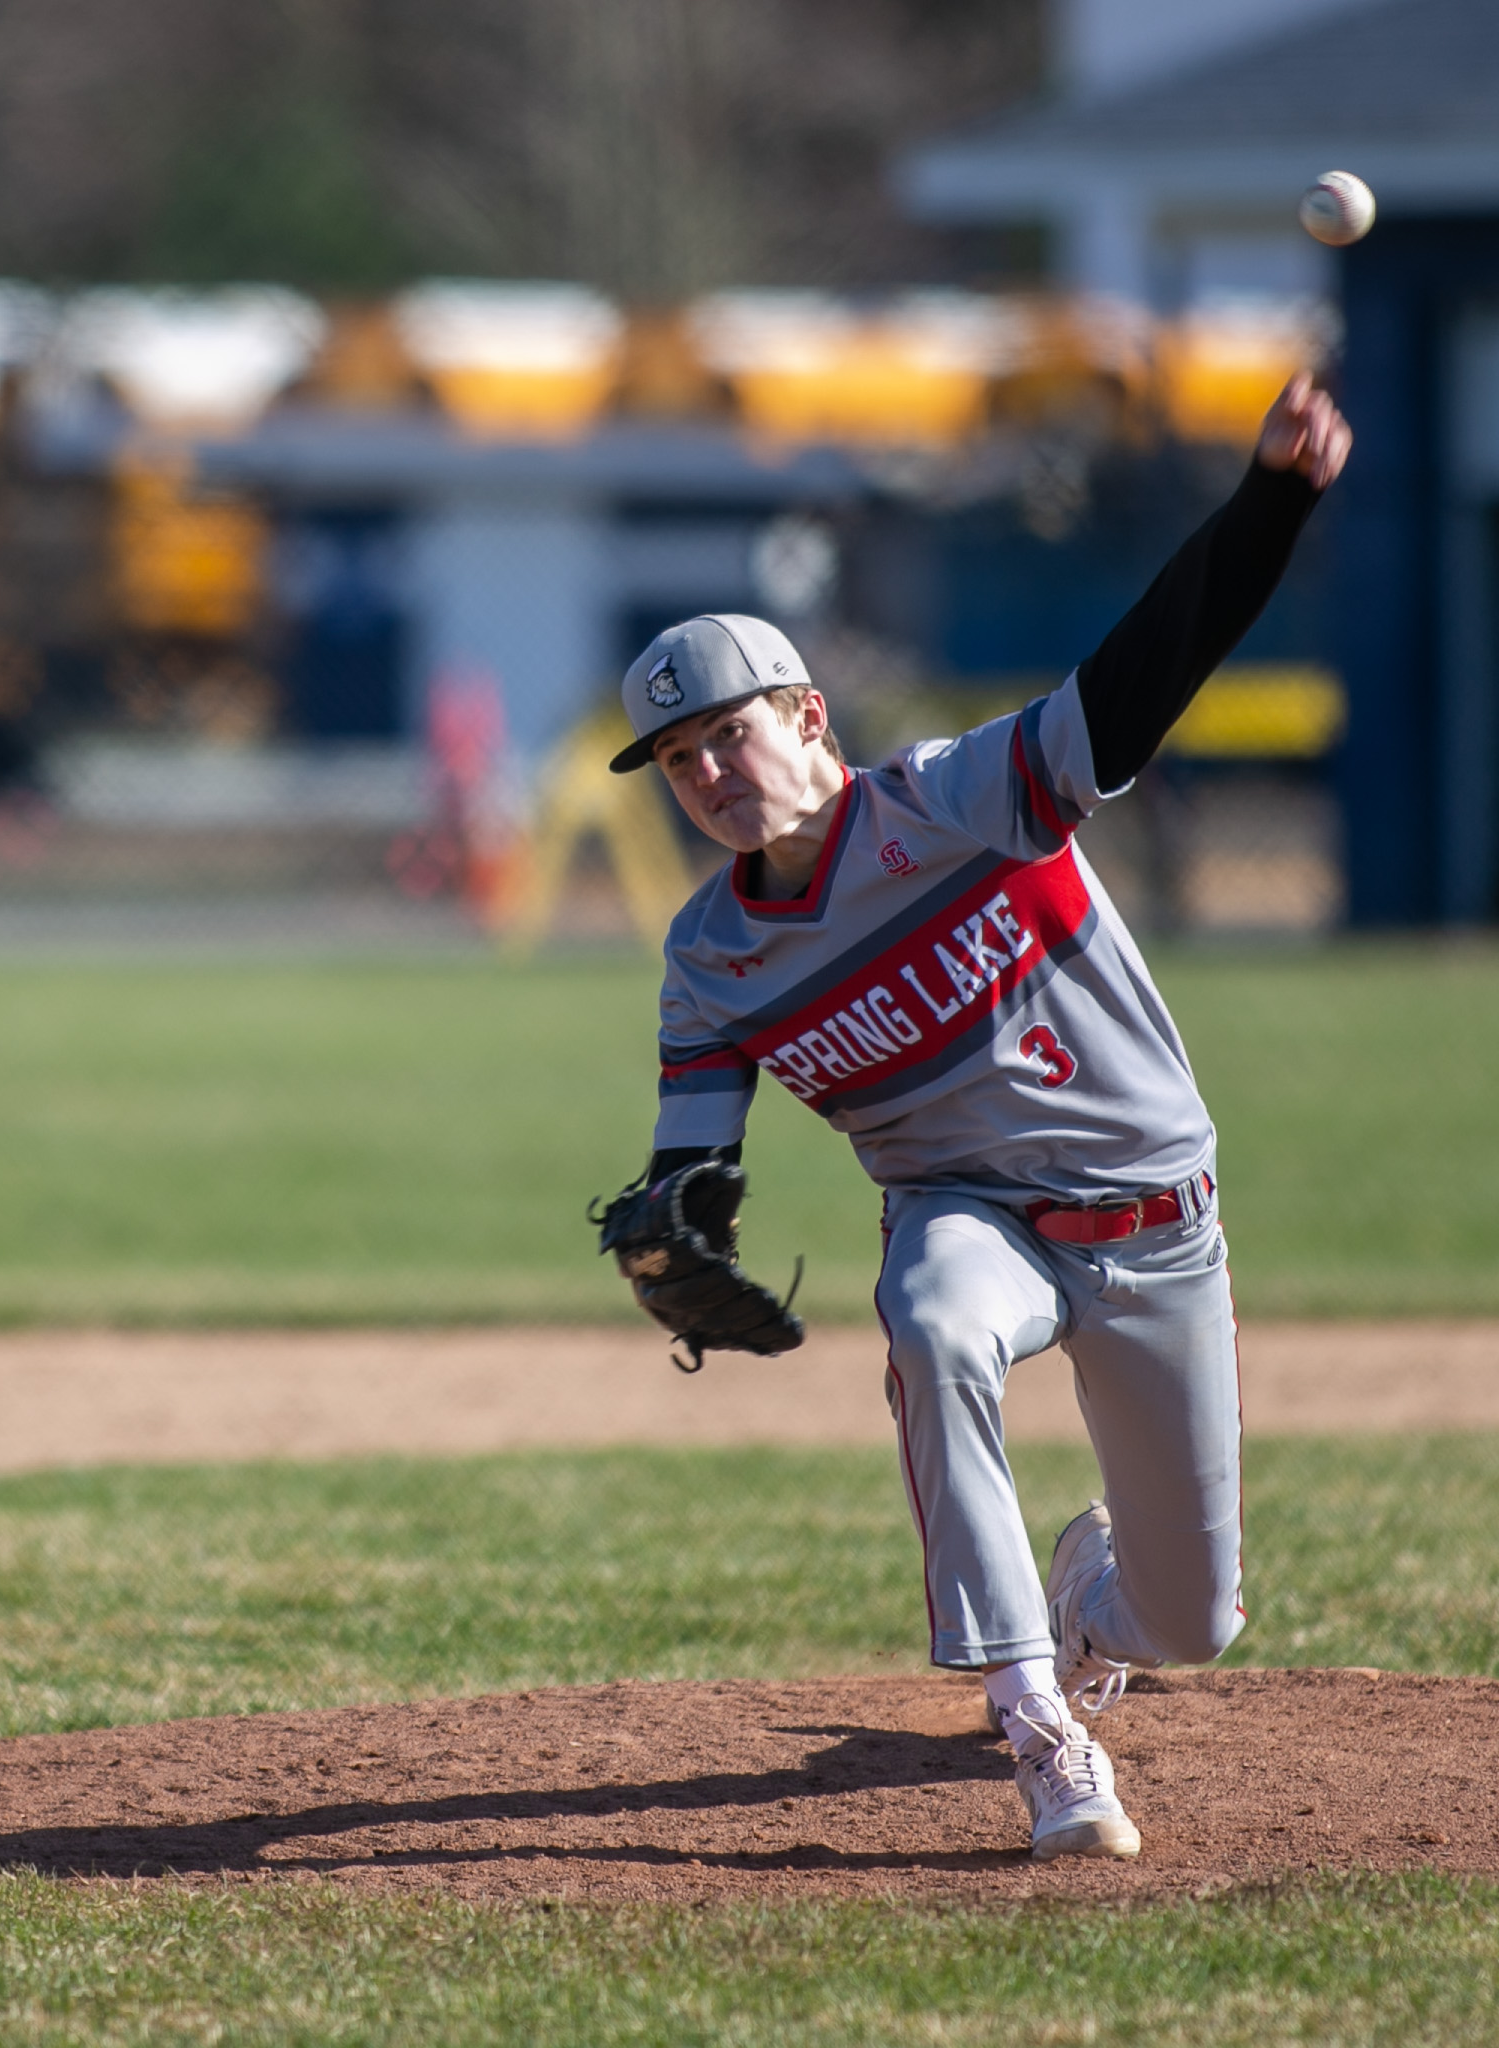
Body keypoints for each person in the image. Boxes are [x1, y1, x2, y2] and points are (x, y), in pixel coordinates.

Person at [601, 377, 1350, 1860]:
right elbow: (692, 1148)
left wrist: (1269, 498)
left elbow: (1148, 672)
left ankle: (1091, 1596)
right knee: (933, 1323)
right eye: (676, 762)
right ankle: (1039, 1725)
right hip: (966, 1219)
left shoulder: (956, 800)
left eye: (725, 737)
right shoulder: (710, 954)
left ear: (809, 717)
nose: (703, 775)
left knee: (1191, 1622)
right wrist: (671, 1220)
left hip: (1153, 1226)